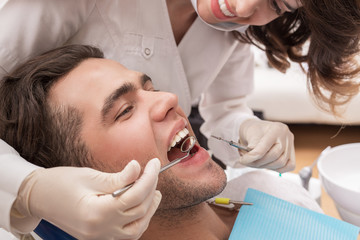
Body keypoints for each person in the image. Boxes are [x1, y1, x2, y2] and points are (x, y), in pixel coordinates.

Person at [0, 0, 359, 237]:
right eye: (124, 110)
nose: (243, 6)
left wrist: (247, 129)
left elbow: (224, 111)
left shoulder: (270, 199)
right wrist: (31, 188)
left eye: (277, 3)